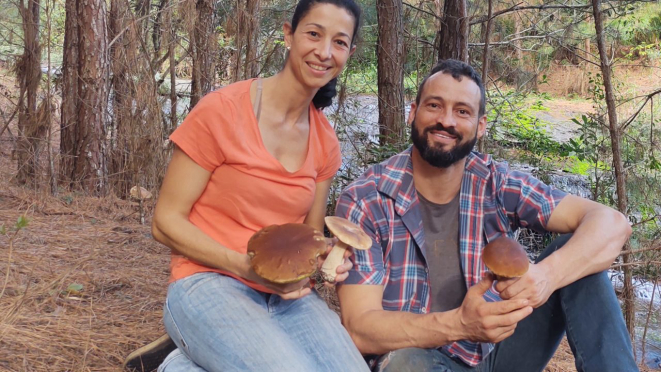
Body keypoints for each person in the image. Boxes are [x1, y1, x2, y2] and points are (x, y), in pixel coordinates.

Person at [334, 59, 638, 372]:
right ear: (413, 112)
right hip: (420, 358)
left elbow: (612, 223)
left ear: (480, 125)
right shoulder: (367, 199)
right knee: (405, 363)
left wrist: (547, 276)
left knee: (579, 256)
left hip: (499, 351)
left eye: (462, 111)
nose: (446, 121)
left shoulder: (495, 182)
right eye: (434, 105)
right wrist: (459, 324)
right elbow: (360, 329)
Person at [123, 1, 370, 371]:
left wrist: (328, 256)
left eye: (338, 42)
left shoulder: (325, 141)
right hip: (206, 282)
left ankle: (185, 364)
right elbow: (165, 222)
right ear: (289, 34)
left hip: (286, 297)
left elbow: (308, 235)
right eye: (313, 34)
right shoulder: (222, 111)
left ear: (349, 53)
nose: (323, 51)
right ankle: (200, 341)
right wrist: (243, 266)